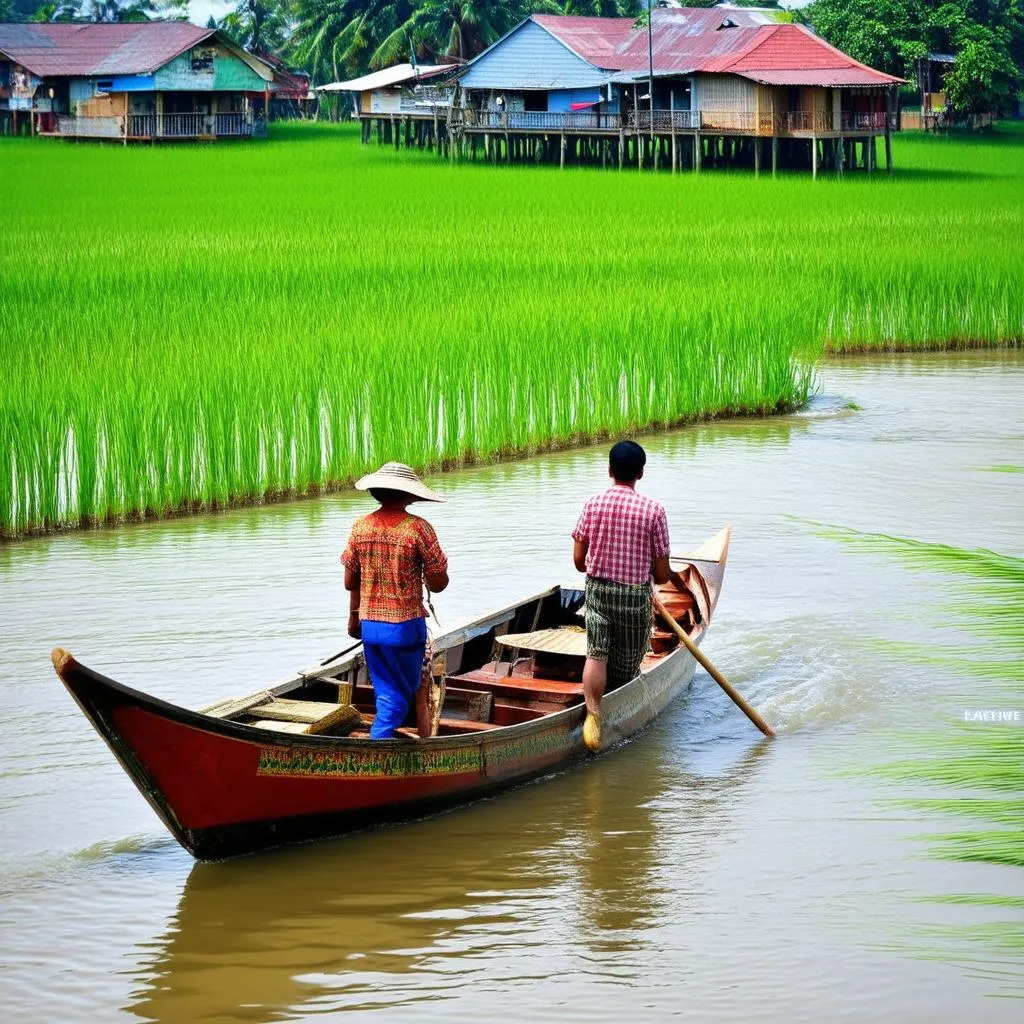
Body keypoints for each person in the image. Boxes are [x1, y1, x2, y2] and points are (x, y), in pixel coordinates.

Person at [571, 440, 686, 752]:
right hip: (634, 596)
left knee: (597, 653)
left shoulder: (592, 503)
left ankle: (594, 717)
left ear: (609, 471)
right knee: (627, 663)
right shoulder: (653, 510)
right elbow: (662, 575)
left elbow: (579, 561)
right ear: (641, 473)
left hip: (597, 589)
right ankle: (620, 712)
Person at [341, 462, 449, 740]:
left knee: (386, 692)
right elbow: (439, 584)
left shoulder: (360, 527)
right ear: (409, 495)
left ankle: (383, 742)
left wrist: (353, 617)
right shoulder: (418, 529)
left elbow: (350, 581)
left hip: (370, 627)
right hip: (404, 627)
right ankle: (375, 751)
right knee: (398, 700)